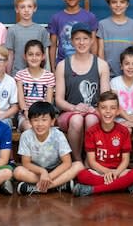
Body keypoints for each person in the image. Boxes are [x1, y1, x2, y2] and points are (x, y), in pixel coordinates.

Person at [55, 22, 110, 162]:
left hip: (94, 111)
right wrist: (74, 108)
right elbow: (59, 100)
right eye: (77, 39)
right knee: (77, 119)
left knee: (91, 119)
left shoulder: (101, 65)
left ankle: (90, 160)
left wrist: (95, 109)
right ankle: (77, 160)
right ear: (72, 41)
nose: (81, 42)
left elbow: (106, 98)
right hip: (69, 113)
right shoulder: (62, 65)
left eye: (85, 38)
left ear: (92, 40)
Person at [72, 91, 133, 197]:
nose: (108, 111)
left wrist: (116, 173)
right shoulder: (91, 132)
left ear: (118, 111)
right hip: (99, 171)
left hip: (118, 171)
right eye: (104, 107)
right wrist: (107, 172)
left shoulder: (123, 131)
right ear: (98, 110)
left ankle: (93, 190)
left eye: (112, 108)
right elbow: (91, 161)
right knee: (82, 175)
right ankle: (123, 186)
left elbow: (125, 160)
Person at [13, 101, 84, 195]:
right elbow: (26, 163)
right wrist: (42, 172)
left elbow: (67, 163)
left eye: (44, 120)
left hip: (56, 170)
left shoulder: (58, 135)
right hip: (36, 171)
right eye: (35, 120)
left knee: (79, 166)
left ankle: (38, 188)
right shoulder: (26, 136)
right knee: (18, 172)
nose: (40, 124)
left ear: (52, 121)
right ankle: (59, 185)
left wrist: (48, 176)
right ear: (30, 121)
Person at [48, 0, 98, 72]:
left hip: (85, 66)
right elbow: (53, 45)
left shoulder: (90, 17)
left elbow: (93, 43)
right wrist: (53, 69)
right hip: (63, 67)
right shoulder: (56, 18)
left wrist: (94, 66)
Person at [97, 0, 133, 77]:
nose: (118, 5)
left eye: (122, 2)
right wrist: (103, 71)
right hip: (108, 75)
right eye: (114, 2)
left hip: (129, 74)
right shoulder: (102, 24)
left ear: (127, 4)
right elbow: (100, 51)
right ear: (109, 4)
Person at [6, 0, 50, 77]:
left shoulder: (41, 31)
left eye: (29, 6)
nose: (26, 10)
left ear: (35, 8)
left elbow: (45, 56)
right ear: (17, 9)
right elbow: (10, 55)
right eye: (22, 7)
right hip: (17, 76)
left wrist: (44, 75)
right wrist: (8, 76)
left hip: (37, 76)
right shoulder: (12, 30)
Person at [15, 40, 55, 132]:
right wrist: (27, 113)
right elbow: (21, 100)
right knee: (30, 127)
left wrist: (42, 118)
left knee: (45, 128)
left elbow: (48, 101)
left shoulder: (49, 76)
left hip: (44, 115)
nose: (34, 57)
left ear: (43, 56)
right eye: (30, 54)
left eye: (37, 54)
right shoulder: (20, 75)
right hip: (25, 116)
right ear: (25, 56)